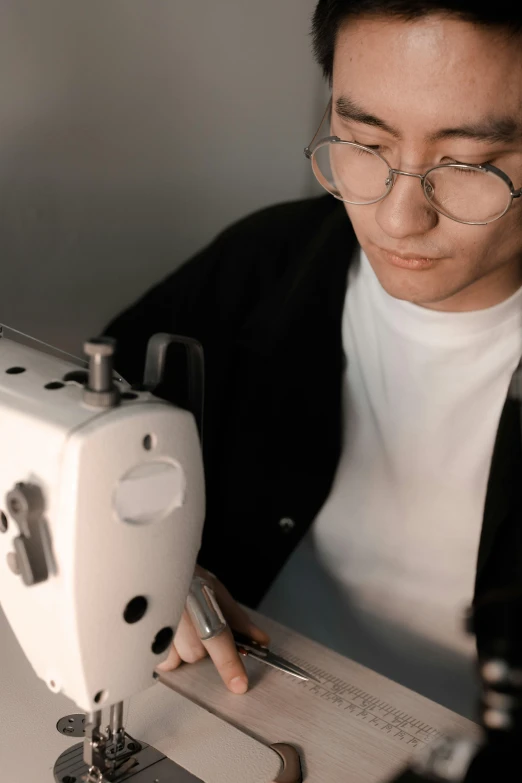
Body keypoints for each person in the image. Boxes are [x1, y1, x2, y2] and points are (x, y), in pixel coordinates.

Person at [105, 0, 522, 719]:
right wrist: (139, 558)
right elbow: (77, 421)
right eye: (363, 143)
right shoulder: (267, 264)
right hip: (243, 695)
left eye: (470, 164)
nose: (398, 217)